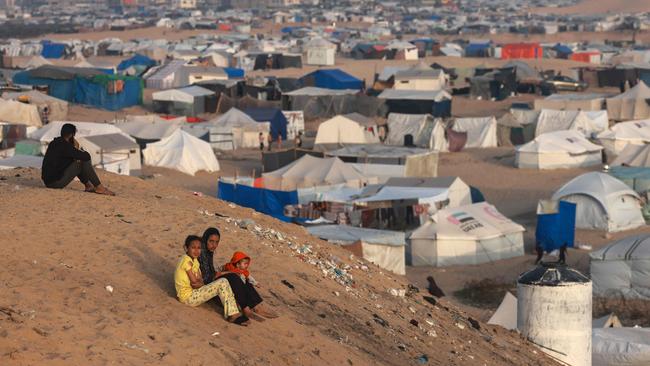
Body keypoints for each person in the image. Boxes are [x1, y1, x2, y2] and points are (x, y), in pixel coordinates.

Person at [174, 235, 250, 325]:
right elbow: (194, 282)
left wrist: (200, 283)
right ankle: (233, 315)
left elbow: (200, 279)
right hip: (187, 297)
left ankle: (233, 312)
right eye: (193, 248)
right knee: (222, 282)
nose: (196, 251)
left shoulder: (194, 260)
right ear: (186, 247)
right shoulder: (186, 261)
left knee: (223, 281)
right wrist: (199, 283)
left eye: (199, 248)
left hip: (193, 292)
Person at [41, 123, 114, 195]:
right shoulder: (66, 146)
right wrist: (76, 146)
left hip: (48, 181)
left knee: (77, 161)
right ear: (71, 135)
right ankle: (99, 187)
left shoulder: (54, 142)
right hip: (55, 184)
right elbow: (86, 157)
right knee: (82, 162)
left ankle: (88, 186)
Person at [217, 251, 278, 321]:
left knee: (247, 282)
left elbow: (249, 277)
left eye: (247, 264)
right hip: (232, 289)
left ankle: (256, 307)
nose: (247, 266)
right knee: (243, 285)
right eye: (245, 264)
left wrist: (255, 283)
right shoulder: (229, 268)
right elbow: (220, 271)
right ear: (237, 264)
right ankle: (248, 308)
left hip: (240, 287)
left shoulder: (243, 271)